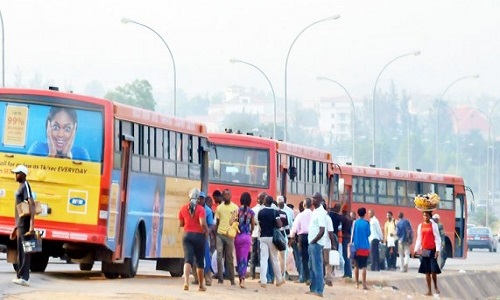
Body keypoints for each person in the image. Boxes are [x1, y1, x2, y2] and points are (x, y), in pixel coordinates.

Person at [178, 188, 209, 292]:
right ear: (198, 199)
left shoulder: (183, 208)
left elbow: (181, 224)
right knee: (200, 261)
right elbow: (203, 223)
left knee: (188, 259)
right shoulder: (201, 209)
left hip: (187, 236)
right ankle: (201, 285)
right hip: (199, 236)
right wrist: (207, 230)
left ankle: (186, 282)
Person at [11, 165, 35, 287]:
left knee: (25, 250)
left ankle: (25, 277)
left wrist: (32, 224)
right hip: (20, 224)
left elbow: (31, 203)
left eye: (17, 173)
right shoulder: (20, 186)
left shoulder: (25, 185)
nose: (15, 175)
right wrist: (15, 227)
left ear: (23, 174)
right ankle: (20, 276)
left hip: (25, 224)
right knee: (20, 250)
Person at [258, 195, 285, 288]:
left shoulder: (260, 212)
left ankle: (263, 280)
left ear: (264, 202)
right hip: (272, 238)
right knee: (274, 259)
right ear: (272, 203)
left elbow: (259, 224)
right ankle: (279, 279)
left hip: (263, 237)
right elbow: (280, 224)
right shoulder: (275, 212)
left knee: (264, 259)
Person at [414, 211, 442, 296]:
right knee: (427, 271)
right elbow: (419, 239)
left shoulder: (434, 225)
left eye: (426, 215)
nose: (425, 217)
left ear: (430, 216)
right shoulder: (420, 226)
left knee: (433, 270)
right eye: (424, 215)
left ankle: (436, 286)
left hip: (432, 250)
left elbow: (437, 238)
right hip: (425, 251)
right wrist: (416, 249)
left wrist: (437, 250)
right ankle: (429, 291)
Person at [214, 189, 238, 285]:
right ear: (223, 196)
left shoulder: (235, 207)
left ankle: (232, 279)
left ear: (231, 195)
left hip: (229, 236)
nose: (227, 196)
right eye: (225, 194)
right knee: (219, 256)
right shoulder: (219, 208)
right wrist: (216, 234)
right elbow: (217, 222)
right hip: (220, 234)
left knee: (229, 258)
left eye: (228, 194)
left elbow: (236, 222)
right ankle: (220, 278)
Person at [306, 193, 327, 297]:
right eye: (312, 198)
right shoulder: (315, 211)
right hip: (312, 243)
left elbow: (322, 230)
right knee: (312, 267)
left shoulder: (321, 213)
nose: (312, 200)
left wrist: (314, 241)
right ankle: (313, 288)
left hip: (316, 244)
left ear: (319, 200)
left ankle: (319, 290)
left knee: (317, 267)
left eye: (314, 198)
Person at [192, 192, 214, 286]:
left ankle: (208, 279)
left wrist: (207, 231)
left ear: (204, 199)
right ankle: (196, 278)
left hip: (204, 236)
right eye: (199, 198)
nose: (200, 200)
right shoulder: (194, 208)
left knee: (206, 258)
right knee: (194, 257)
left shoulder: (208, 211)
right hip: (195, 235)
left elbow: (211, 224)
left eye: (202, 198)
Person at [289, 198, 312, 284]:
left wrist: (291, 238)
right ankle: (309, 278)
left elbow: (295, 228)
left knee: (303, 258)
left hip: (302, 237)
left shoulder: (300, 215)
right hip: (312, 237)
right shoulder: (313, 214)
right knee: (310, 258)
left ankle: (302, 277)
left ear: (304, 205)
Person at [234, 192, 255, 288]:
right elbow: (253, 225)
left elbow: (233, 222)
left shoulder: (237, 210)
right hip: (246, 237)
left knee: (238, 258)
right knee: (244, 259)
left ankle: (240, 278)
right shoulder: (251, 212)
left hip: (237, 236)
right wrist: (250, 232)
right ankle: (242, 279)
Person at [351, 207, 371, 290]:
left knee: (356, 266)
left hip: (356, 247)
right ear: (364, 214)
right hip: (365, 247)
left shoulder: (355, 223)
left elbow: (352, 233)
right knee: (364, 266)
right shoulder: (366, 223)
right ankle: (364, 284)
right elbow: (368, 234)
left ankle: (356, 284)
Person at [250, 192, 266, 279]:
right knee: (261, 255)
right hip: (261, 235)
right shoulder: (265, 210)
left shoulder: (253, 210)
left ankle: (252, 274)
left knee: (253, 254)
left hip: (254, 234)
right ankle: (261, 275)